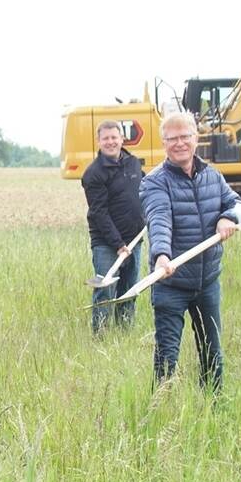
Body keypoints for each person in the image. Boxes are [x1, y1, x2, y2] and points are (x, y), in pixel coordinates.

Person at [140, 112, 241, 391]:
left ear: (196, 138)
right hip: (170, 282)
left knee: (212, 352)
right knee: (166, 357)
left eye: (185, 136)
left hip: (207, 282)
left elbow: (236, 204)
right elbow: (159, 218)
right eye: (172, 138)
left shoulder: (213, 176)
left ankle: (214, 407)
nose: (180, 143)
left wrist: (227, 216)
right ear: (164, 144)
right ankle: (159, 412)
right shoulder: (154, 182)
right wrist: (161, 254)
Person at [81, 120, 145, 334]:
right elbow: (98, 212)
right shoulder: (93, 174)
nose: (110, 142)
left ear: (121, 139)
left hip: (135, 240)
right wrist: (118, 244)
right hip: (108, 244)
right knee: (106, 290)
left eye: (114, 137)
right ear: (98, 142)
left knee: (129, 290)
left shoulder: (134, 163)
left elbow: (143, 194)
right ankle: (100, 335)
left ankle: (124, 332)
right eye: (105, 138)